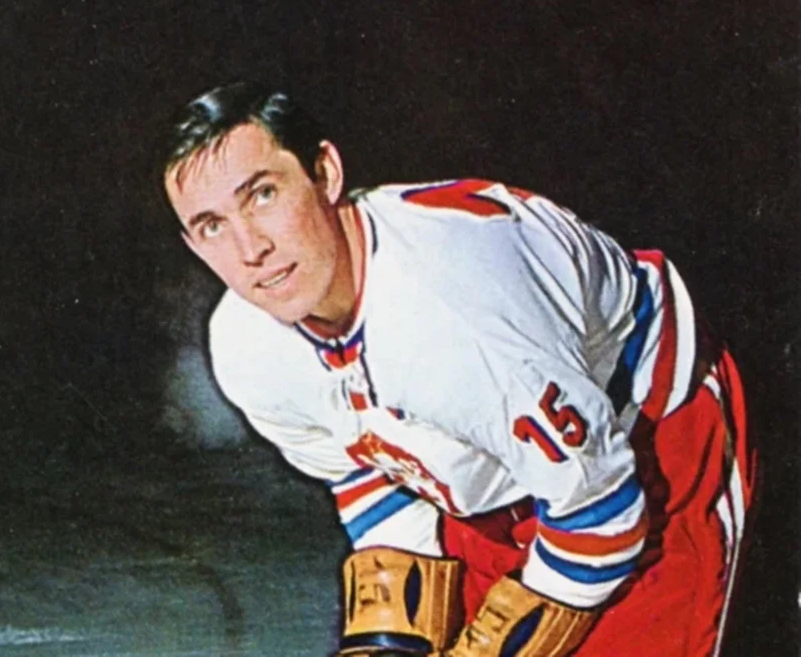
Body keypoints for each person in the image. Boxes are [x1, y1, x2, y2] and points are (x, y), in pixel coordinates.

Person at [157, 82, 757, 656]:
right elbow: (366, 472)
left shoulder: (454, 312)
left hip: (642, 443)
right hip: (498, 451)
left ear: (326, 173)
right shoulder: (245, 343)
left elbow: (603, 514)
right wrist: (392, 640)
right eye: (212, 225)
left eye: (263, 195)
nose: (250, 249)